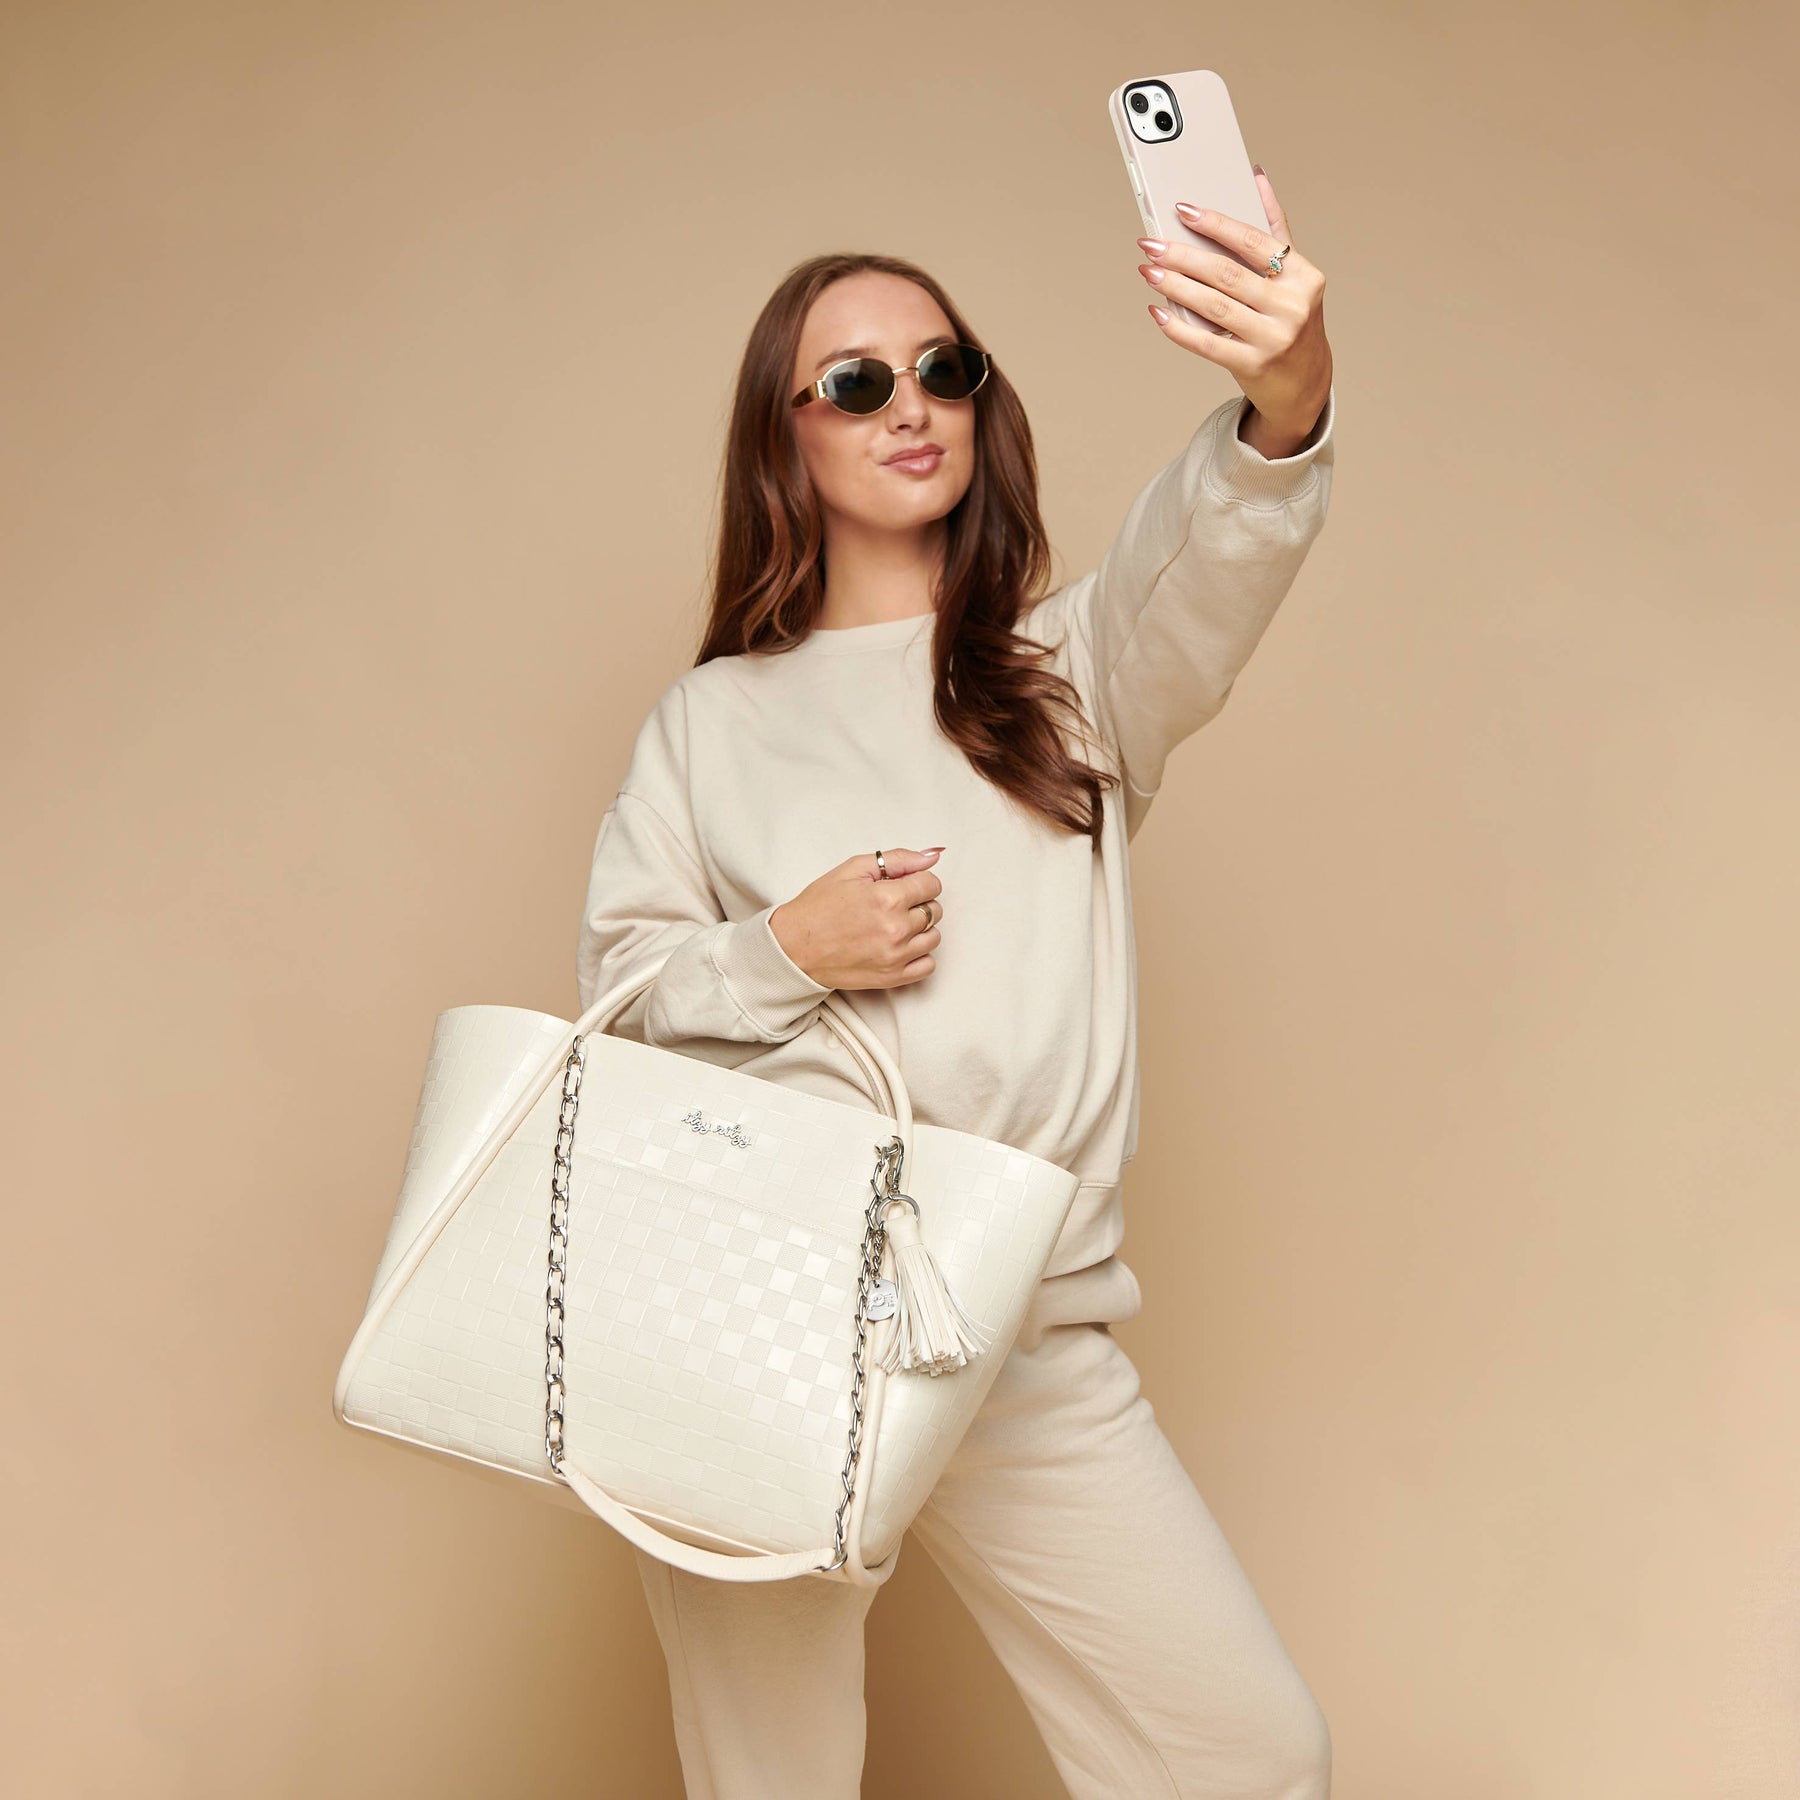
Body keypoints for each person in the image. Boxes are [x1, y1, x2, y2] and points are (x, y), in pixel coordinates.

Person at [576, 176, 1337, 1800]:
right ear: (785, 439)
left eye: (946, 369)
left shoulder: (1073, 676)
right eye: (857, 382)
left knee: (1247, 1752)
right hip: (761, 1317)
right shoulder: (708, 724)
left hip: (1020, 1325)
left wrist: (1287, 399)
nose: (911, 406)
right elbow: (621, 1005)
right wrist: (791, 949)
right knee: (769, 1779)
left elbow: (1212, 550)